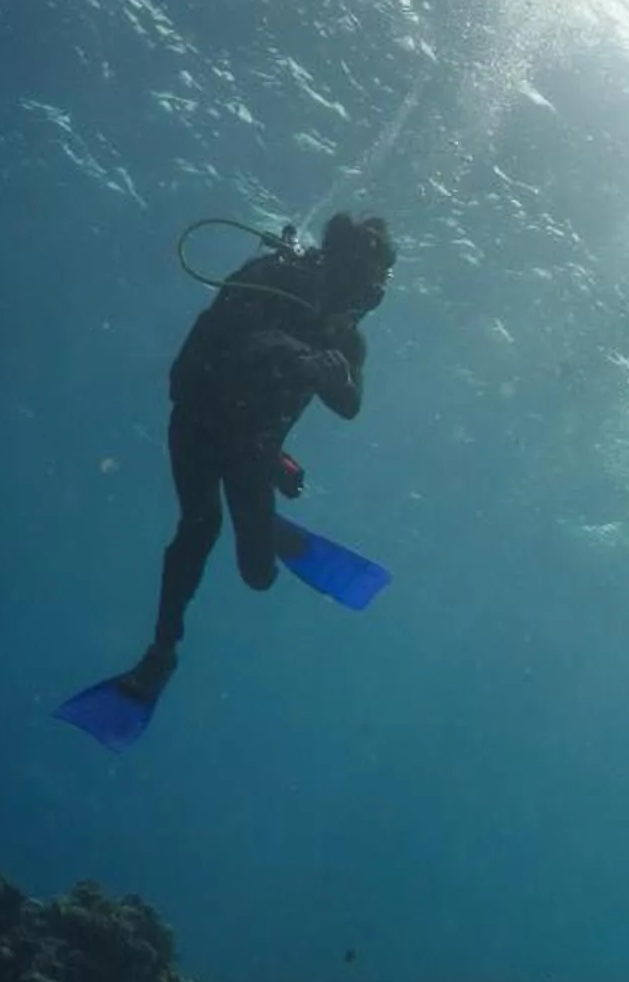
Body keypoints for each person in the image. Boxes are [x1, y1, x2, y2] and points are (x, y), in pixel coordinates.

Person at [57, 213, 398, 750]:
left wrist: (332, 373)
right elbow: (230, 337)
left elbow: (350, 405)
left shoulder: (349, 338)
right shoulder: (272, 277)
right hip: (199, 416)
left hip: (252, 445)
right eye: (364, 277)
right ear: (338, 263)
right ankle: (160, 655)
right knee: (200, 525)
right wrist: (301, 357)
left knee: (258, 575)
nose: (367, 294)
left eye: (375, 285)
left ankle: (273, 532)